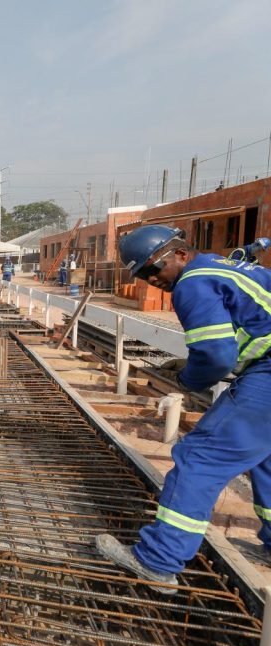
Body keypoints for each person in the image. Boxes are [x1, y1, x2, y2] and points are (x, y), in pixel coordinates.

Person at [96, 225, 271, 595]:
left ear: (179, 253)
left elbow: (217, 355)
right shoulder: (219, 268)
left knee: (199, 459)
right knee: (264, 457)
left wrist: (191, 380)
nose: (152, 279)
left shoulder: (192, 282)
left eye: (152, 269)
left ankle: (157, 561)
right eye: (142, 274)